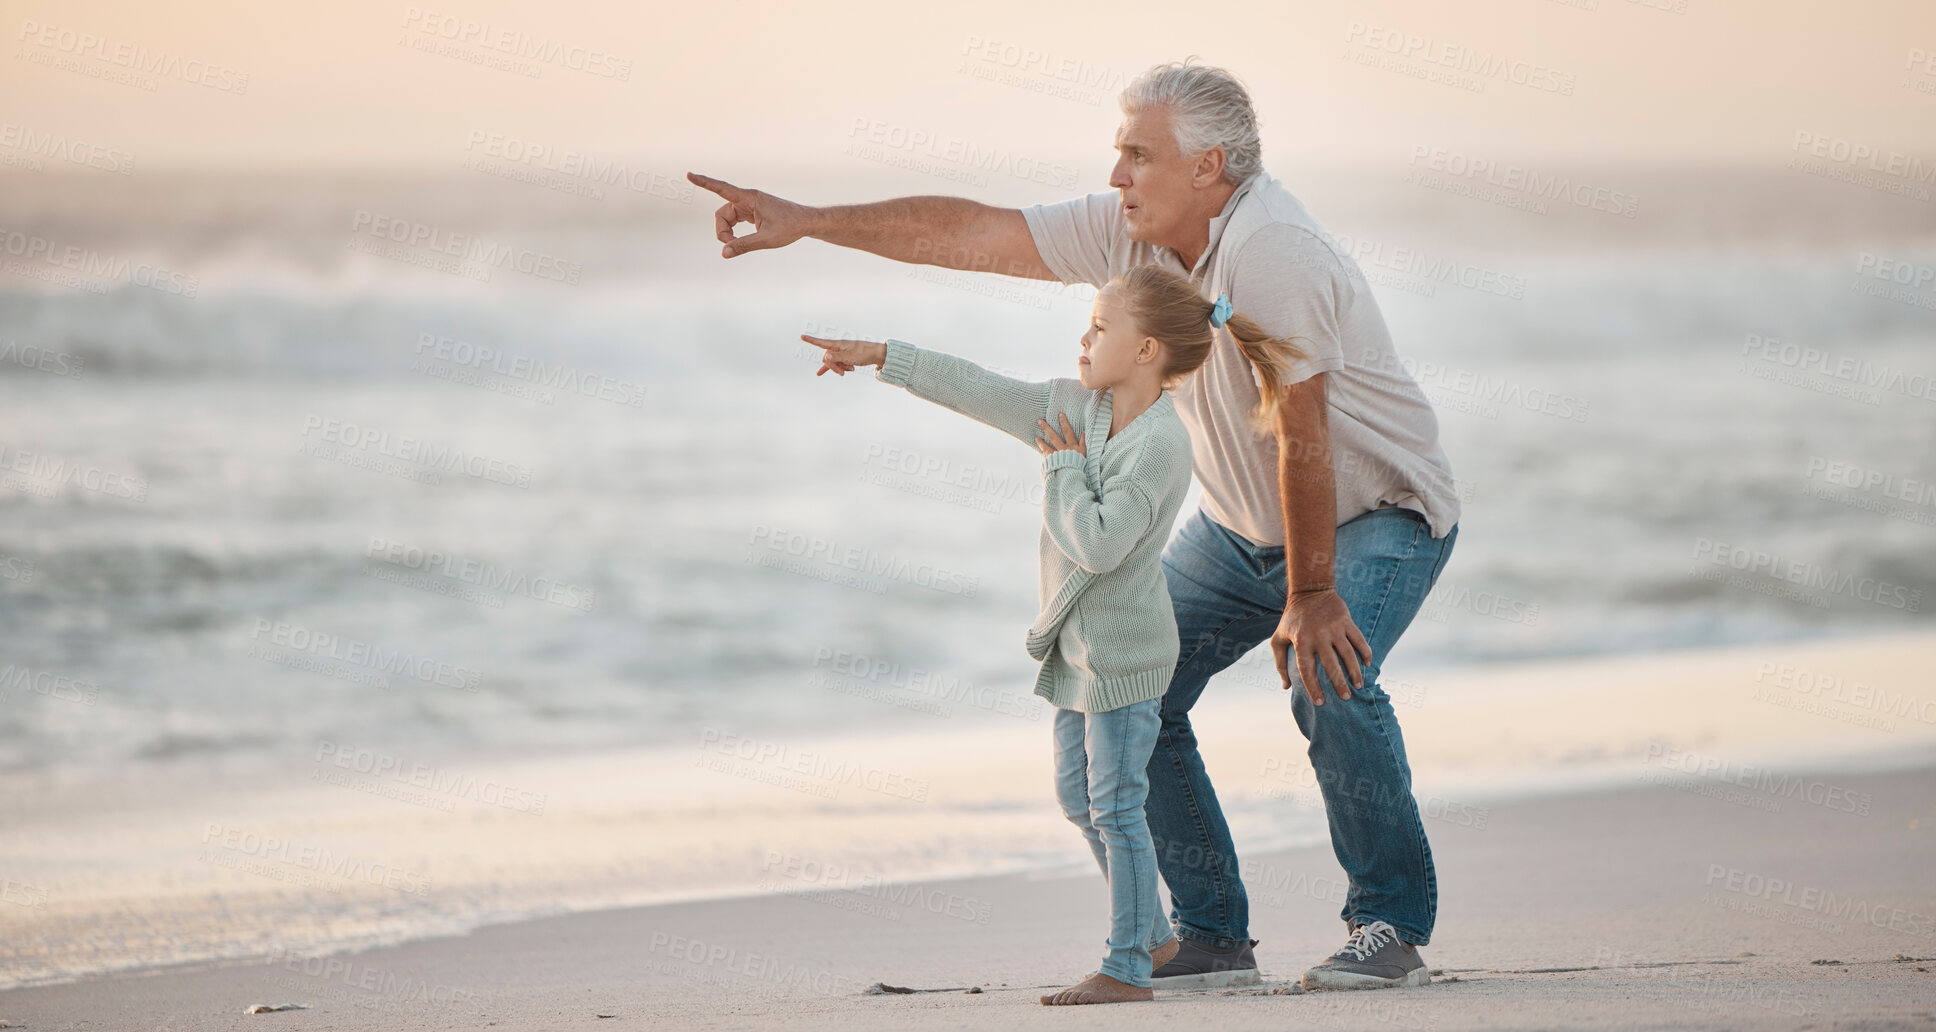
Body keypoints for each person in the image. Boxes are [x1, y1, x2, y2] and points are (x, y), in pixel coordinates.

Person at [694, 58, 1460, 992]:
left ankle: (1389, 925)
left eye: (1137, 154)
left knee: (1324, 672)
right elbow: (969, 232)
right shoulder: (1131, 231)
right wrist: (810, 222)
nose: (1115, 177)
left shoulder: (1273, 249)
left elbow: (1302, 434)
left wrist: (1310, 593)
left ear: (1209, 165)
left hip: (1378, 512)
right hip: (1238, 527)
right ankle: (1212, 937)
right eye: (1118, 153)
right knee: (1137, 687)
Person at [804, 264, 1303, 1005]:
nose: (1084, 337)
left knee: (1117, 807)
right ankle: (1158, 934)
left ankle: (1129, 963)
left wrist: (1061, 469)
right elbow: (982, 388)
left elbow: (1098, 545)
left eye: (1100, 327)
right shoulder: (1077, 406)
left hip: (1128, 656)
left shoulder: (1163, 445)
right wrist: (885, 356)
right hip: (1078, 651)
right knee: (1079, 798)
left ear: (1146, 351)